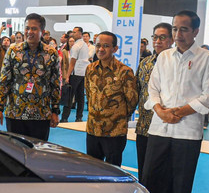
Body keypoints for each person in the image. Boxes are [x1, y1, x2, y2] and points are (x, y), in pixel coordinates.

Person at [141, 10, 209, 193]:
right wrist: (161, 111)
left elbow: (208, 95)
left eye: (184, 29)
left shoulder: (207, 58)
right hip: (159, 127)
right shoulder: (163, 57)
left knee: (181, 184)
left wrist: (180, 111)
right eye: (175, 29)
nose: (178, 34)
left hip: (187, 131)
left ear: (195, 31)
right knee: (151, 179)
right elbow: (152, 89)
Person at [0, 13, 60, 140]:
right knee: (16, 153)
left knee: (38, 152)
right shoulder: (13, 50)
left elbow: (55, 83)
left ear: (42, 31)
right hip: (15, 113)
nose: (29, 32)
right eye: (27, 28)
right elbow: (4, 81)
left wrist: (55, 111)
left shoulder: (51, 53)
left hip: (41, 114)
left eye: (34, 28)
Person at [85, 31, 138, 166]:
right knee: (92, 169)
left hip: (114, 131)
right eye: (98, 45)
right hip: (93, 129)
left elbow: (132, 100)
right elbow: (89, 93)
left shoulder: (124, 71)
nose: (101, 49)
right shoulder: (90, 69)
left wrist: (119, 117)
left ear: (115, 49)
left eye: (106, 46)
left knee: (112, 171)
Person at [135, 22, 173, 180]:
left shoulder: (176, 63)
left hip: (165, 128)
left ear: (172, 40)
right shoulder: (145, 63)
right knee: (143, 173)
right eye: (155, 37)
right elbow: (137, 90)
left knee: (162, 176)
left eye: (162, 38)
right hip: (144, 127)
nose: (158, 41)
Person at [63, 26, 90, 122]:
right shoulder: (85, 45)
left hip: (75, 73)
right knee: (80, 96)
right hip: (83, 73)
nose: (72, 34)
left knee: (70, 96)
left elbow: (72, 62)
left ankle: (64, 117)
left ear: (80, 34)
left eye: (74, 32)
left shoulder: (76, 46)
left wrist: (67, 76)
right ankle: (79, 117)